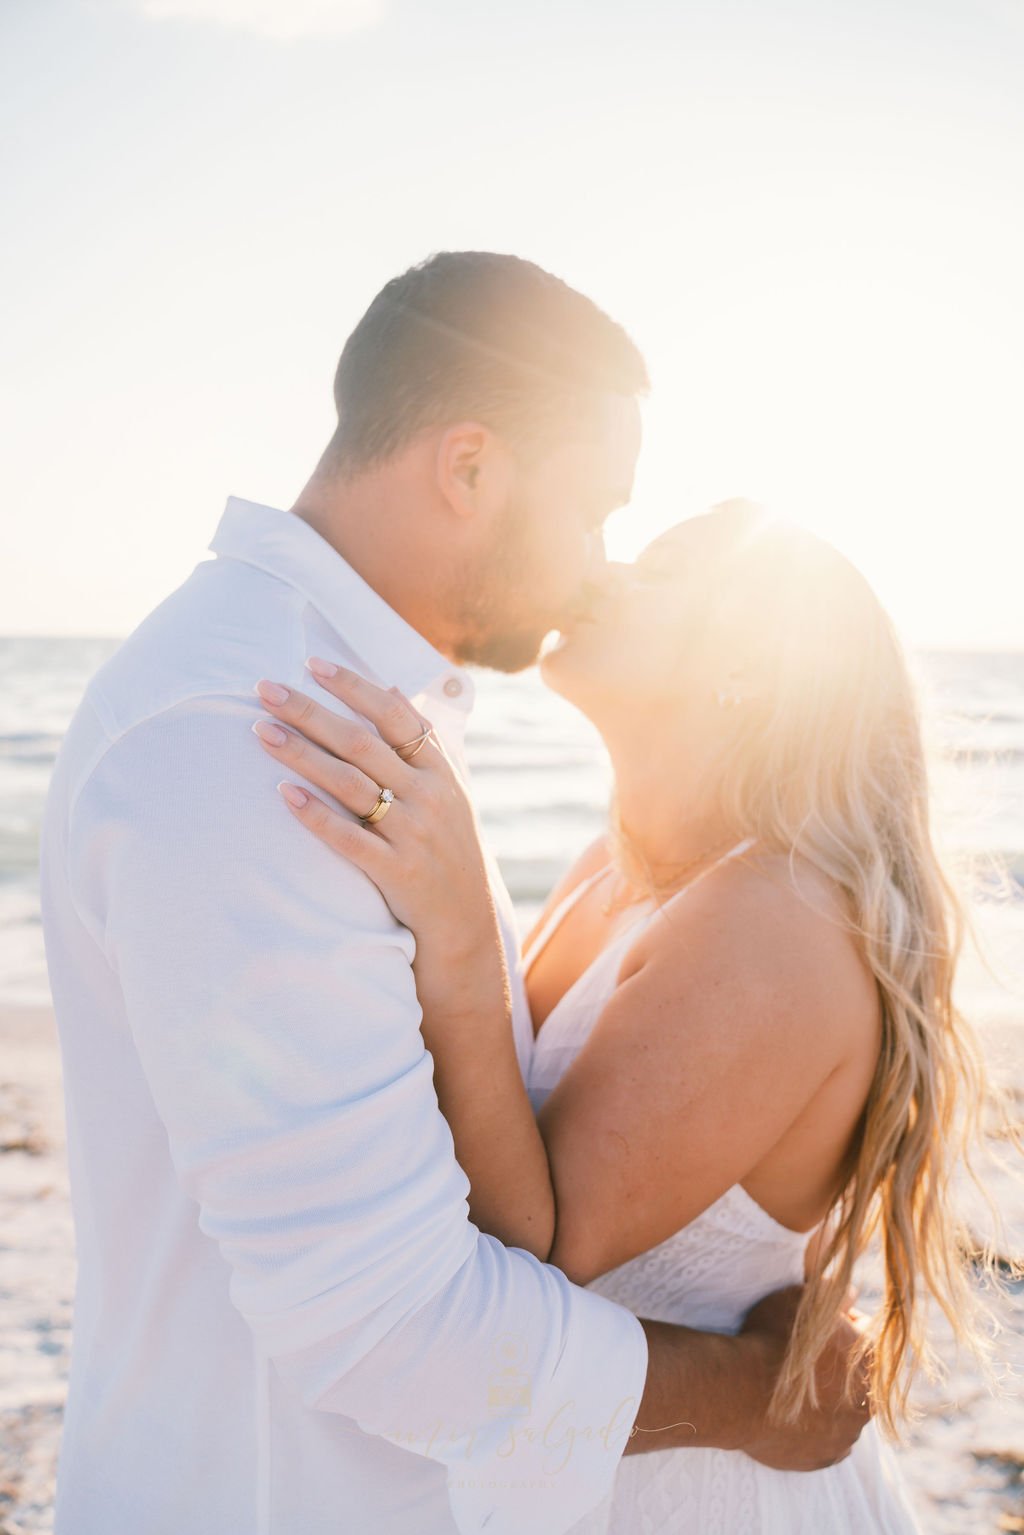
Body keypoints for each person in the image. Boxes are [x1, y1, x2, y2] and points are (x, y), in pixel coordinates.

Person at [39, 252, 868, 1535]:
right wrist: (753, 1398)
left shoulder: (361, 707)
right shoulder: (257, 735)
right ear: (468, 467)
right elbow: (389, 1324)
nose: (599, 562)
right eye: (594, 509)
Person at [260, 502, 1013, 1532]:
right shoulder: (619, 871)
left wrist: (460, 942)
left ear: (748, 664)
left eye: (663, 573)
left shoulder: (774, 917)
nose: (606, 575)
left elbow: (540, 1247)